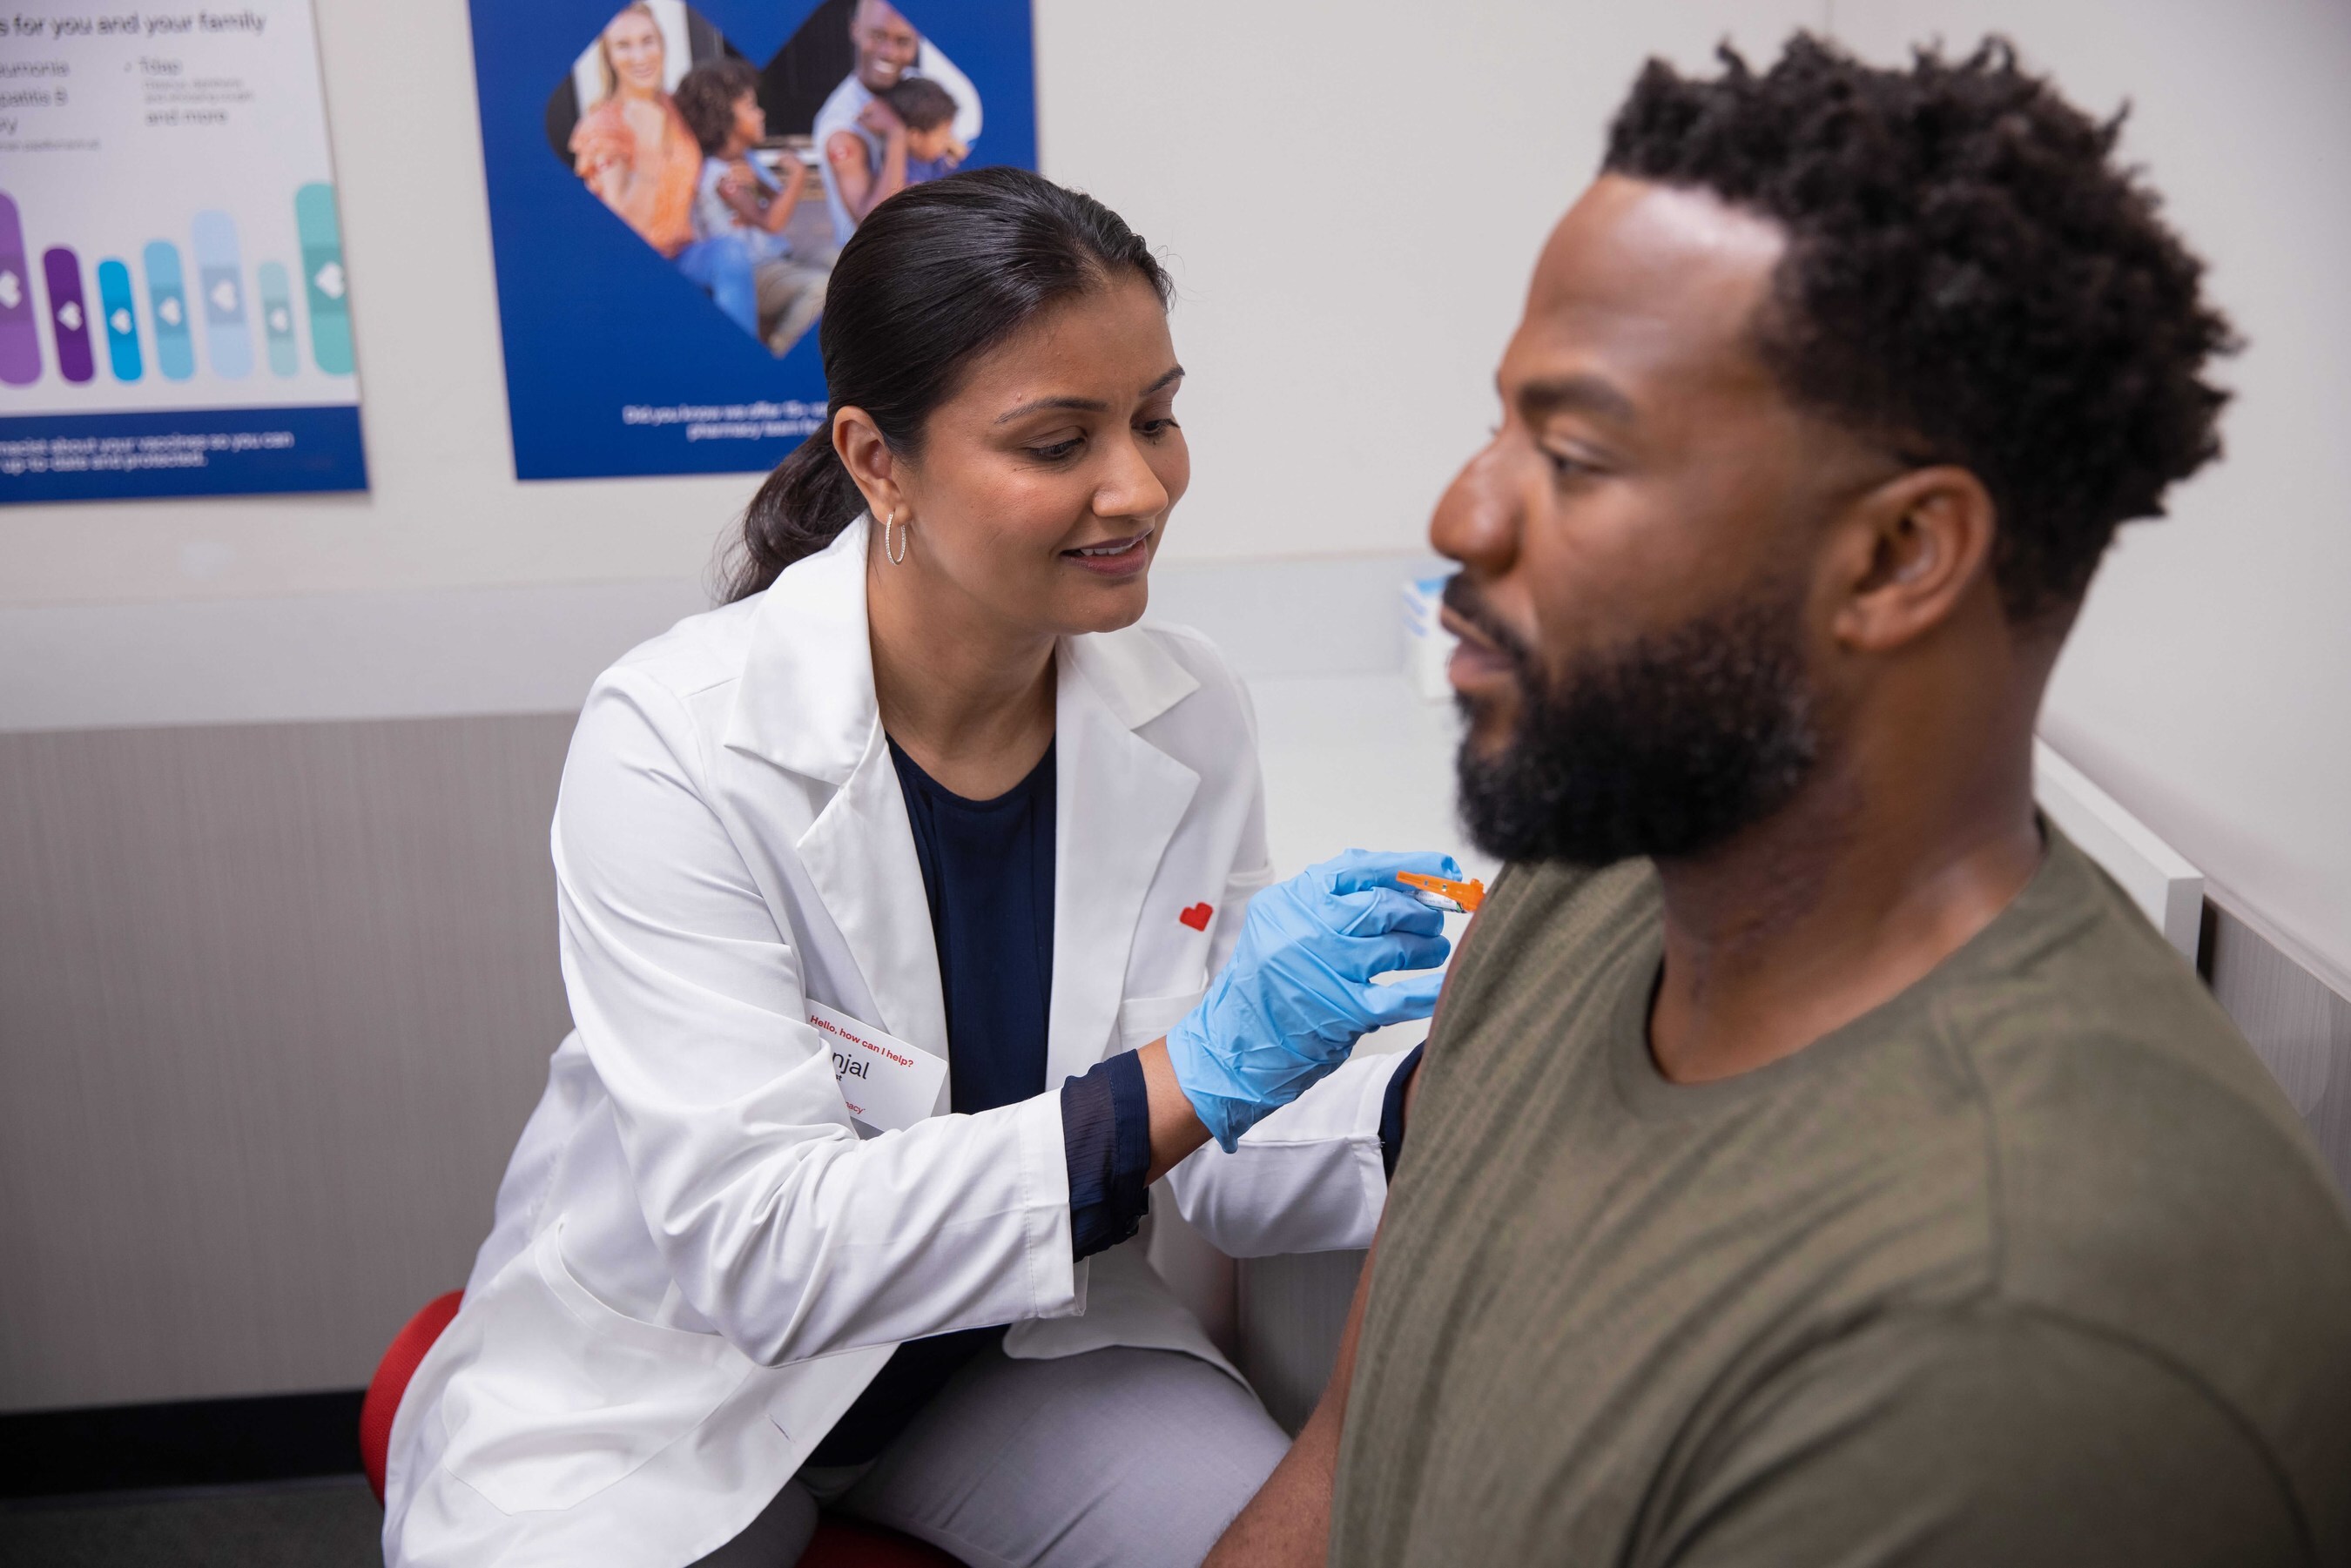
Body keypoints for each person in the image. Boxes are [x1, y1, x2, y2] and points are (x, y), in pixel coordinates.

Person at [1210, 35, 2351, 1568]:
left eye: (1574, 452)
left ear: (1894, 560)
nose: (1462, 513)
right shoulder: (1599, 879)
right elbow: (1345, 1466)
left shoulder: (2024, 1346)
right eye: (1500, 426)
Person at [382, 167, 1455, 1568]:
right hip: (683, 1386)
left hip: (1019, 1353)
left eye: (1156, 418)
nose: (1137, 486)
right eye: (1058, 439)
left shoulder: (1183, 708)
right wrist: (1202, 1066)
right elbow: (764, 1251)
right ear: (879, 460)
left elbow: (1227, 1172)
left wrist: (1441, 1082)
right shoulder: (679, 739)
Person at [672, 59, 831, 354]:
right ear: (724, 118)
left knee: (840, 259)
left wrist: (763, 183)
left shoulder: (748, 160)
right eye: (751, 107)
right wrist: (798, 176)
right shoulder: (721, 175)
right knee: (820, 288)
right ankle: (777, 350)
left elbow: (772, 199)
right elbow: (771, 222)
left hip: (778, 259)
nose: (761, 114)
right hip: (755, 271)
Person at [811, 0, 980, 247]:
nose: (889, 52)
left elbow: (949, 148)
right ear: (855, 29)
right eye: (878, 36)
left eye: (902, 41)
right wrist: (897, 134)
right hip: (875, 265)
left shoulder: (916, 85)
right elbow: (874, 224)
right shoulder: (842, 127)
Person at [568, 2, 701, 258]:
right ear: (609, 58)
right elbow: (630, 229)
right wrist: (648, 151)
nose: (640, 57)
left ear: (662, 45)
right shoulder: (602, 126)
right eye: (623, 46)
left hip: (687, 253)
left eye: (647, 40)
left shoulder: (673, 105)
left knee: (731, 254)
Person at [882, 77, 965, 186]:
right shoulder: (904, 171)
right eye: (942, 137)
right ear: (915, 137)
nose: (948, 141)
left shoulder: (935, 160)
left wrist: (962, 155)